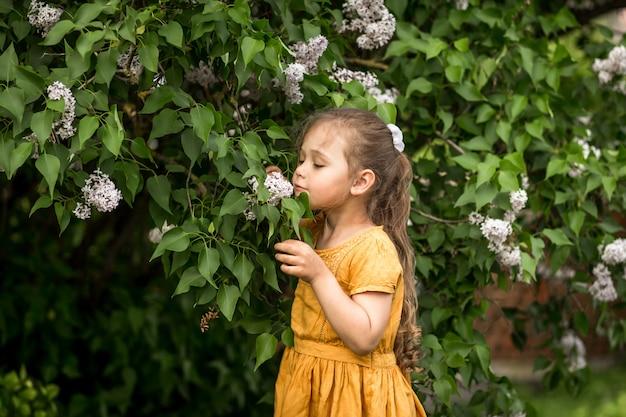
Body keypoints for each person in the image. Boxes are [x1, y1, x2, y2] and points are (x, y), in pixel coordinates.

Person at [272, 107, 427, 417]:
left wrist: (319, 275)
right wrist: (274, 189)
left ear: (360, 182)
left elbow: (365, 336)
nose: (301, 171)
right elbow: (278, 216)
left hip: (353, 397)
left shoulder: (373, 248)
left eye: (318, 164)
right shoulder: (314, 228)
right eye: (301, 159)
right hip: (309, 386)